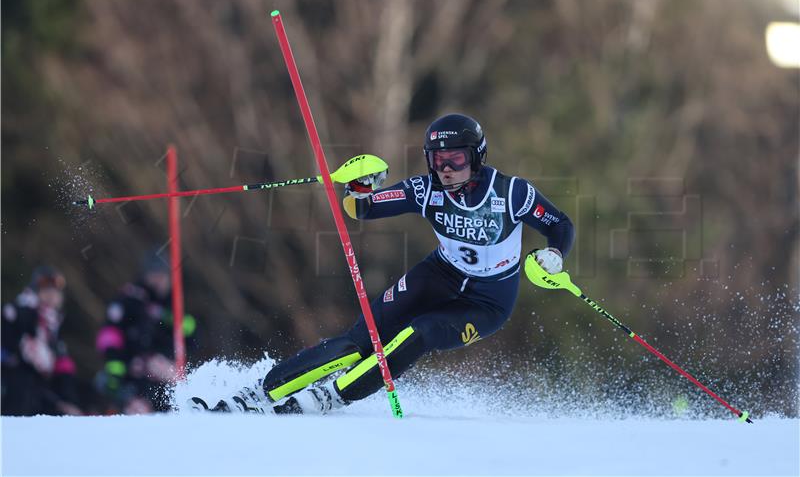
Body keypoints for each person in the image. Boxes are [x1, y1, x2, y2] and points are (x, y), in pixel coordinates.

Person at [190, 113, 574, 414]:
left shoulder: (511, 193)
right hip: (438, 276)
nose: (446, 168)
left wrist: (554, 255)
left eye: (456, 158)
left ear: (477, 157)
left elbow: (560, 225)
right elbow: (363, 209)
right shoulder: (426, 191)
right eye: (438, 160)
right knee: (361, 340)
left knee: (420, 332)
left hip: (488, 302)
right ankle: (261, 391)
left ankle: (333, 397)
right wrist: (358, 188)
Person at [95, 253, 197, 414]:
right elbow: (109, 335)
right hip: (133, 372)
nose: (159, 280)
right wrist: (116, 367)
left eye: (163, 275)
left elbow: (192, 335)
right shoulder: (131, 300)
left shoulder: (174, 302)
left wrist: (169, 318)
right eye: (155, 275)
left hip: (165, 371)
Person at [1, 266, 82, 416]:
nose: (51, 296)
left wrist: (69, 400)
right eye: (46, 291)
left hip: (38, 391)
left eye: (55, 292)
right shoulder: (17, 312)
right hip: (14, 387)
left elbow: (62, 365)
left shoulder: (53, 325)